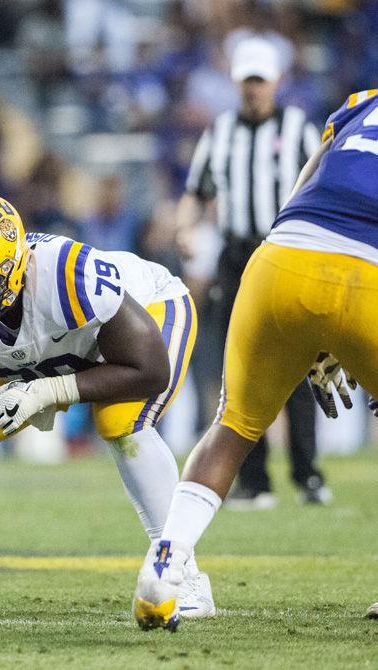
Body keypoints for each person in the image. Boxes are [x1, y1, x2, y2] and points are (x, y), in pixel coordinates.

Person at [0, 193, 215, 619]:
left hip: (149, 313)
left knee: (119, 420)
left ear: (13, 270)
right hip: (57, 351)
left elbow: (149, 369)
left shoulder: (67, 277)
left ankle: (181, 574)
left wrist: (48, 391)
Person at [132, 88, 378, 630]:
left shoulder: (363, 100)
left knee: (232, 426)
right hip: (368, 267)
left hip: (280, 256)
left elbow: (309, 175)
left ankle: (164, 568)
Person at [176, 36, 328, 508]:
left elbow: (324, 186)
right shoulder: (220, 132)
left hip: (287, 251)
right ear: (236, 81)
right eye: (247, 80)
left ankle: (308, 475)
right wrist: (185, 228)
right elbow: (196, 192)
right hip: (238, 257)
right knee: (240, 371)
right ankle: (255, 481)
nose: (254, 89)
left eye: (261, 80)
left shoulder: (301, 129)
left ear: (277, 81)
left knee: (301, 367)